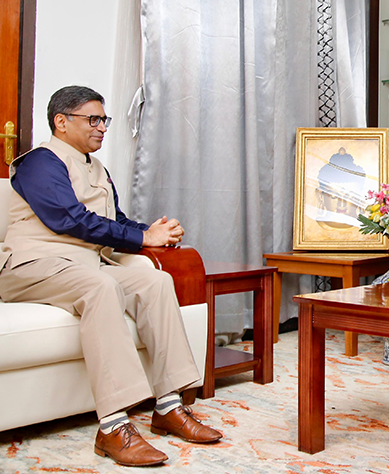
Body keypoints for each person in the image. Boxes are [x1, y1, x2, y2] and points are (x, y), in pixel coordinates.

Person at [0, 86, 222, 467]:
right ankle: (113, 427)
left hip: (83, 265)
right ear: (61, 121)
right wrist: (143, 238)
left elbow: (113, 221)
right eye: (93, 119)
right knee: (101, 286)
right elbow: (69, 219)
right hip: (30, 265)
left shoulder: (97, 168)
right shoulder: (38, 163)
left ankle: (169, 405)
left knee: (156, 282)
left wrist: (152, 232)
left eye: (104, 120)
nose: (102, 127)